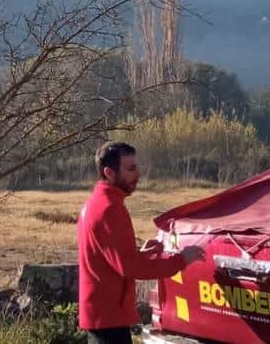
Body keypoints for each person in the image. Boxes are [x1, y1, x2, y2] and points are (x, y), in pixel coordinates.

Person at [77, 141, 205, 344]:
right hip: (109, 318)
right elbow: (129, 267)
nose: (138, 174)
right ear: (109, 173)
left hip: (102, 314)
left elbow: (111, 259)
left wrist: (141, 254)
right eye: (131, 169)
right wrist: (181, 260)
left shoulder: (95, 203)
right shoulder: (110, 209)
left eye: (137, 167)